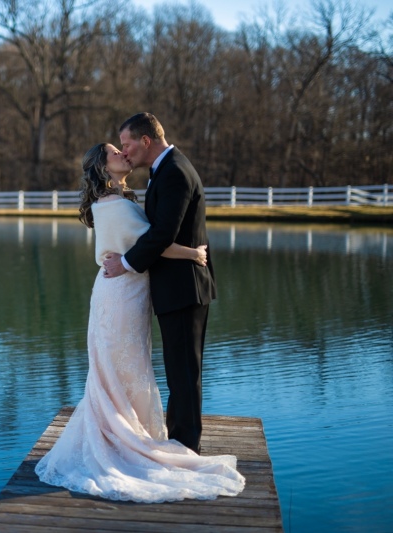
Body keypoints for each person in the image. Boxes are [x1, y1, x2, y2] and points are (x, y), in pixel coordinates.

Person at [34, 142, 244, 503]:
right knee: (121, 368)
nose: (123, 154)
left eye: (123, 148)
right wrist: (194, 252)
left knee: (126, 368)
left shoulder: (119, 199)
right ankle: (120, 438)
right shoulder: (112, 204)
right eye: (116, 152)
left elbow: (148, 242)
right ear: (103, 167)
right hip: (120, 296)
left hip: (125, 292)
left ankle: (124, 430)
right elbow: (156, 244)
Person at [103, 113, 214, 455]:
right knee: (179, 372)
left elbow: (162, 234)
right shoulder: (165, 171)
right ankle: (180, 440)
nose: (125, 151)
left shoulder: (175, 172)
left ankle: (186, 447)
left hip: (184, 289)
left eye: (127, 143)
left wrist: (124, 263)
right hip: (176, 288)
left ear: (145, 141)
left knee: (184, 374)